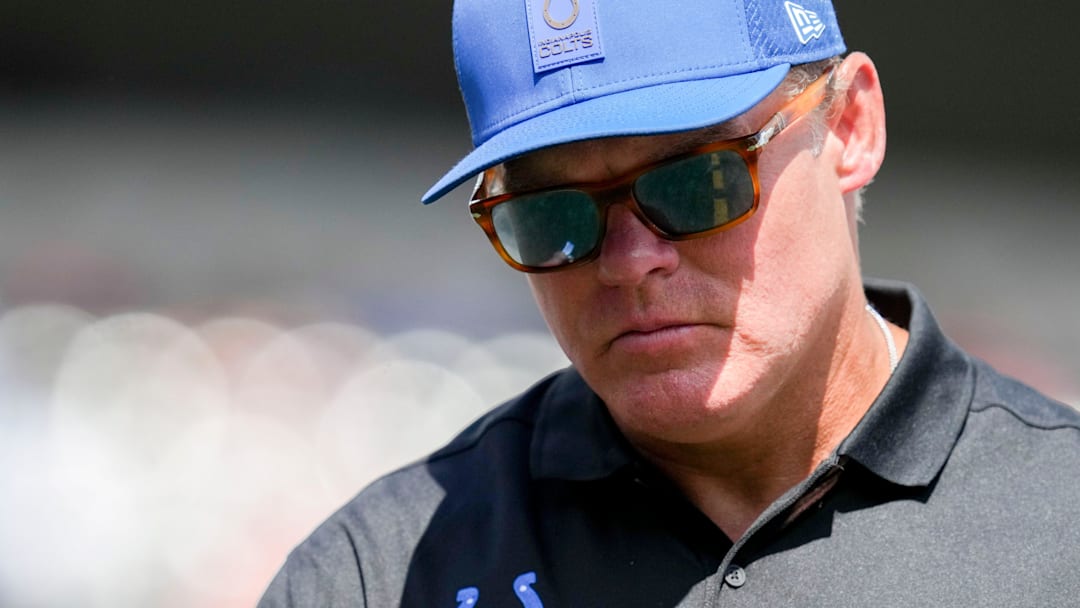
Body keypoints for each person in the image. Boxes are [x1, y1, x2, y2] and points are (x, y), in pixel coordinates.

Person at [260, 0, 1080, 605]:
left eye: (698, 181)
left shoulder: (1061, 521)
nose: (629, 261)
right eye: (551, 213)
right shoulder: (380, 575)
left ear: (851, 126)